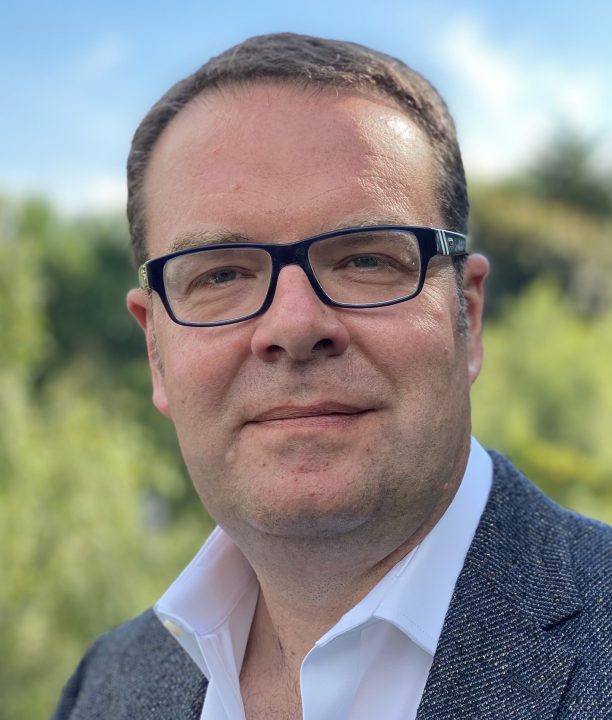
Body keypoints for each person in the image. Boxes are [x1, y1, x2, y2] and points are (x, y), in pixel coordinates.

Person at [53, 33, 611, 720]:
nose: (293, 326)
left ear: (467, 317)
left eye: (366, 261)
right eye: (221, 275)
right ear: (155, 351)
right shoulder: (106, 688)